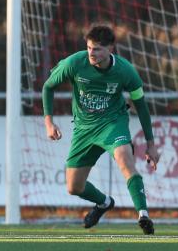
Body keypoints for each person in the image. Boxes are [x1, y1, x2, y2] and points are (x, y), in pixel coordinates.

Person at [42, 25, 159, 234]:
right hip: (84, 129)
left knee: (125, 160)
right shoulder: (74, 63)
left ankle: (143, 214)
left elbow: (141, 106)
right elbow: (48, 87)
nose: (91, 53)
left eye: (97, 49)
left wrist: (151, 144)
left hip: (113, 123)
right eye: (88, 48)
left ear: (110, 48)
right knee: (73, 187)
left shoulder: (126, 71)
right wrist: (49, 122)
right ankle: (104, 202)